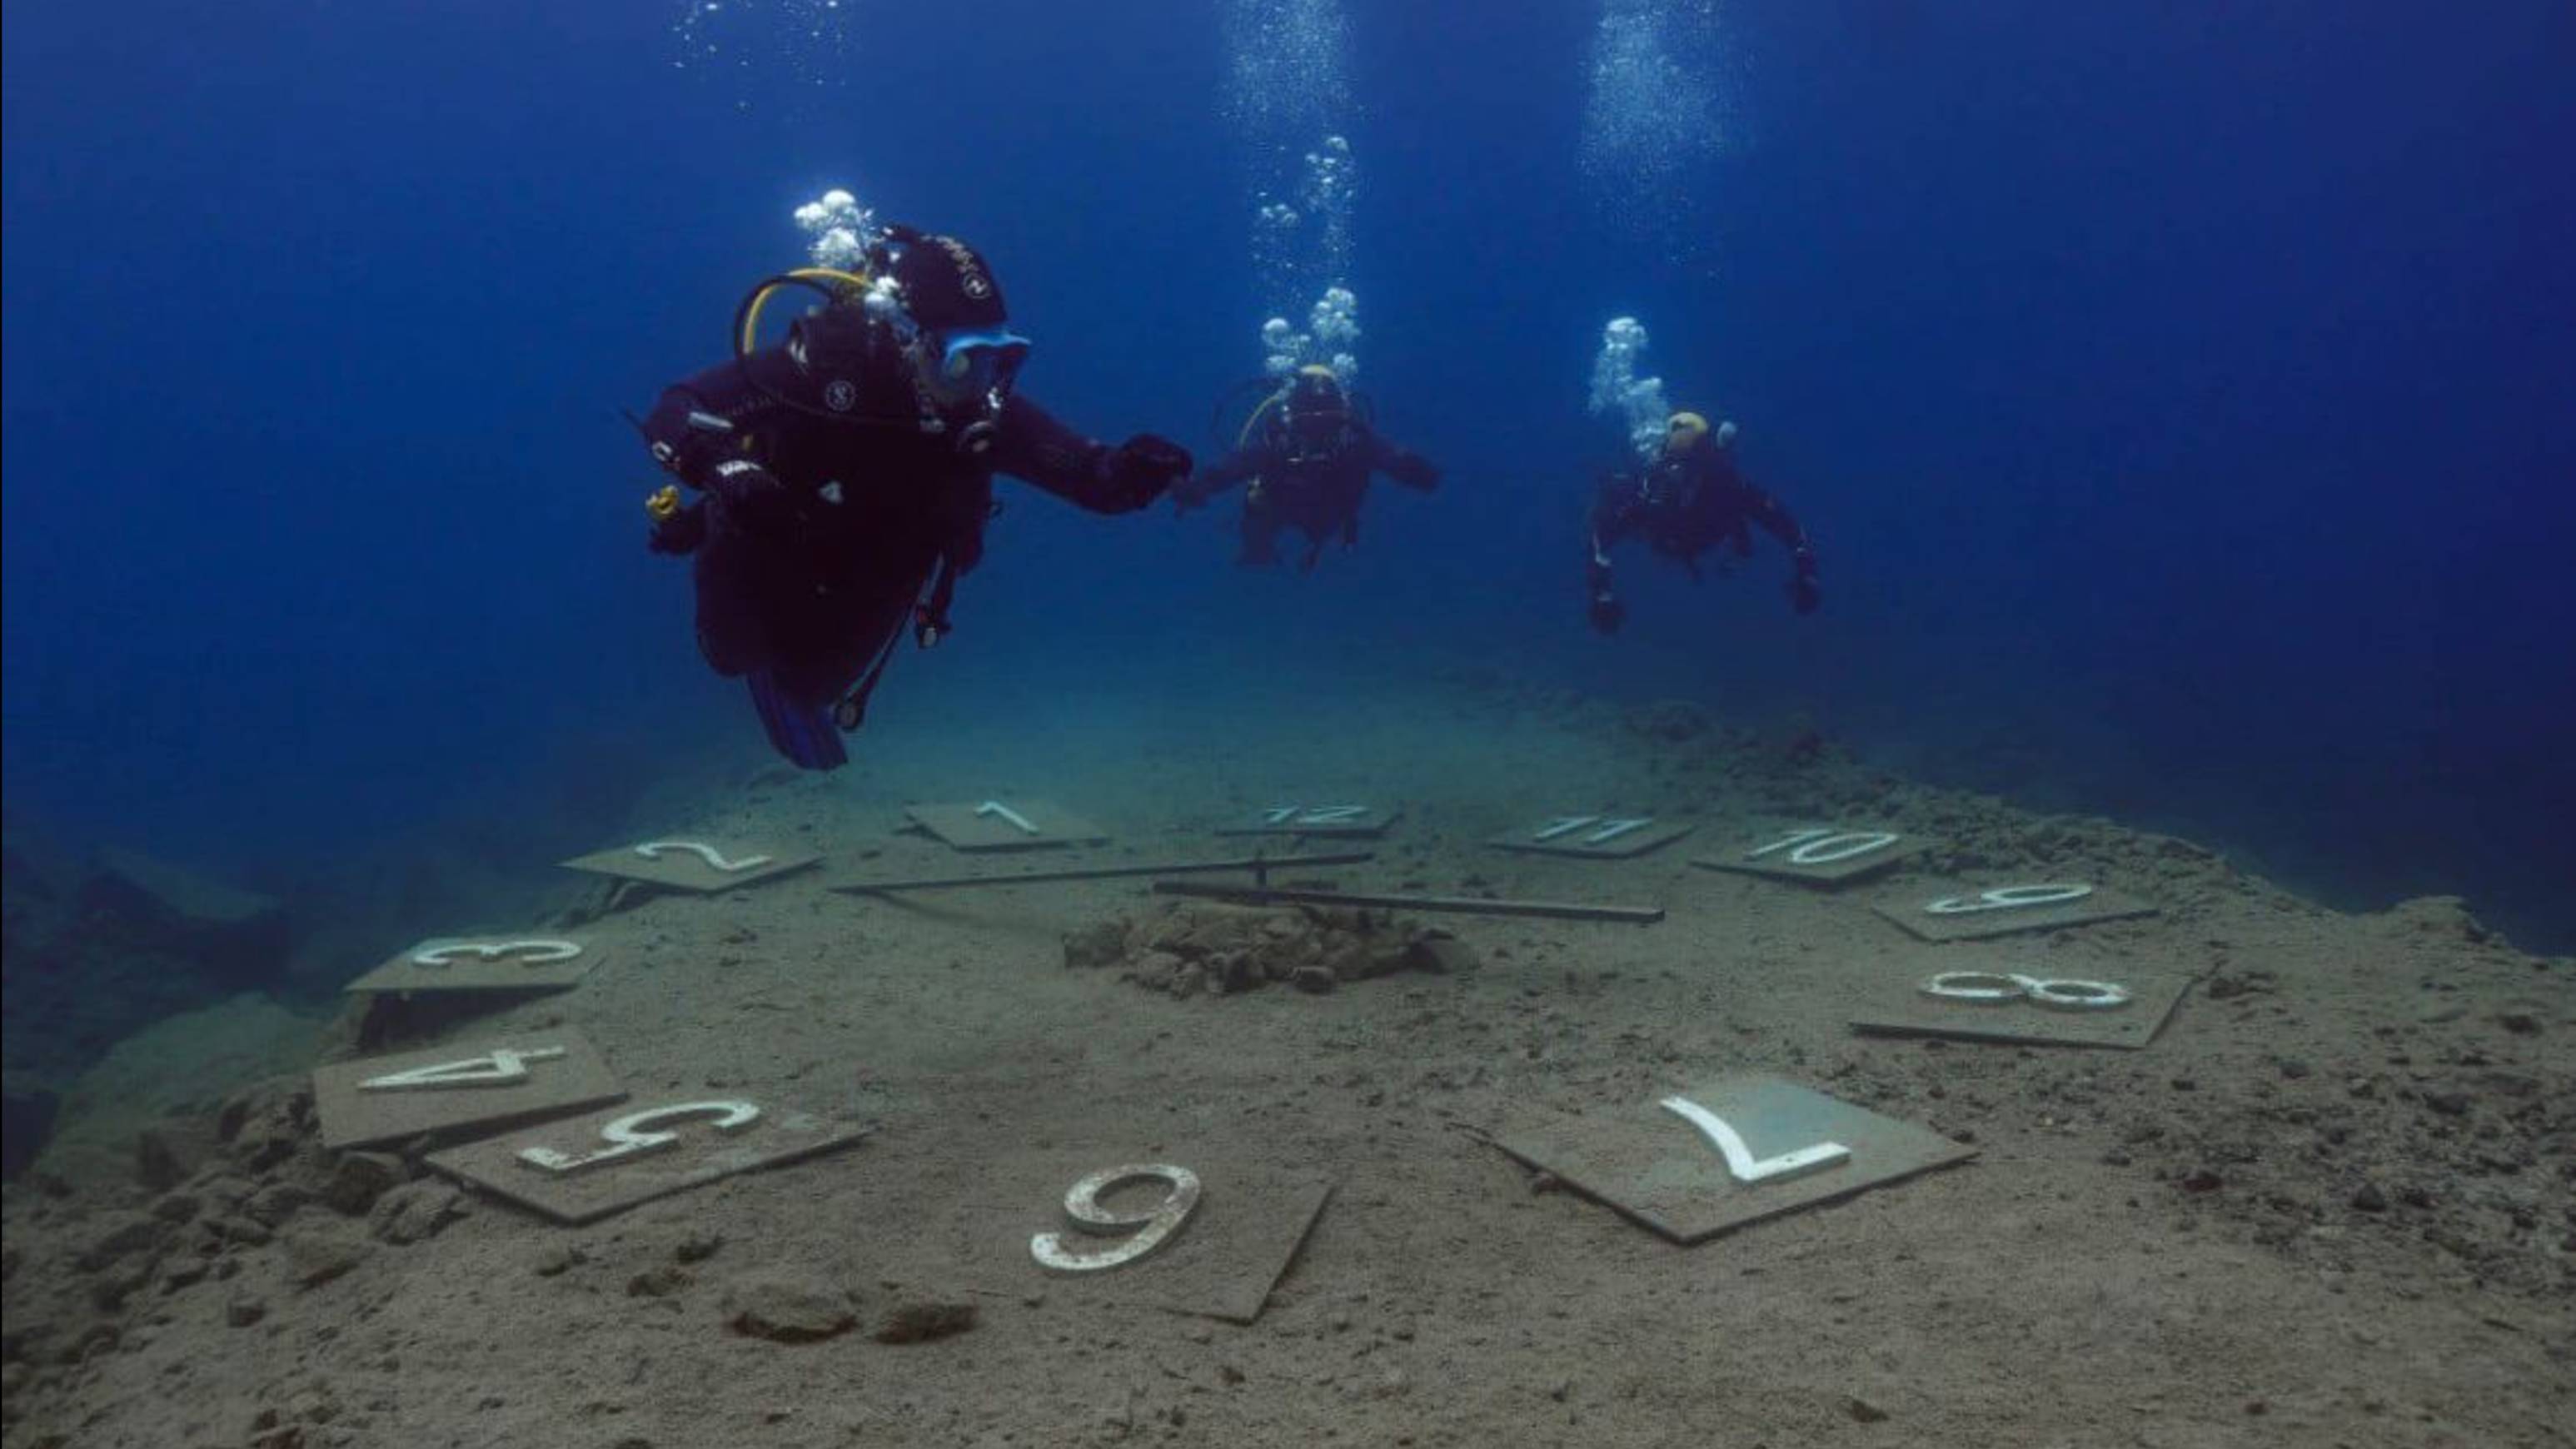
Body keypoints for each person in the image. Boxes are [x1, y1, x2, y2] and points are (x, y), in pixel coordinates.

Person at [636, 225, 1193, 769]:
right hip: (771, 530)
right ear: (909, 337)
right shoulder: (826, 371)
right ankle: (722, 541)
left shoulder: (982, 413)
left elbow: (1087, 476)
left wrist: (1130, 474)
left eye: (998, 359)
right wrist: (725, 469)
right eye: (963, 358)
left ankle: (794, 686)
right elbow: (677, 408)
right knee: (733, 656)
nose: (982, 384)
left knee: (813, 684)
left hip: (887, 557)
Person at [1172, 364, 1440, 570]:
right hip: (1285, 507)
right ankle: (1259, 554)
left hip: (1331, 513)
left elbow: (1396, 460)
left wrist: (1420, 473)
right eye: (1309, 425)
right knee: (1258, 524)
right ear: (1291, 418)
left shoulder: (1358, 440)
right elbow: (1234, 467)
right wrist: (1198, 486)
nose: (1318, 434)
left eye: (1327, 424)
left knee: (1275, 527)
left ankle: (1266, 554)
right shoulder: (1278, 443)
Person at [1584, 411, 1821, 633]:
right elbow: (1599, 535)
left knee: (1737, 544)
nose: (1679, 476)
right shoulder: (1644, 491)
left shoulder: (1728, 488)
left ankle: (1733, 557)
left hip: (1707, 541)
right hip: (1674, 538)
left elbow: (1787, 526)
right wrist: (1601, 594)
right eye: (1674, 464)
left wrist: (1807, 573)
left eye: (1689, 466)